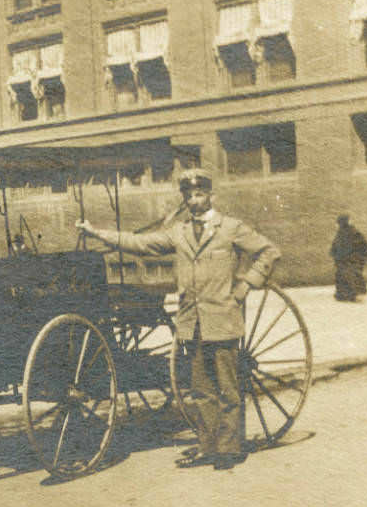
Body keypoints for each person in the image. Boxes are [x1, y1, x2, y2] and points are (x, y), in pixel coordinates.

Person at [77, 168, 280, 470]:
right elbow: (140, 244)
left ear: (212, 195)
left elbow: (269, 251)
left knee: (227, 387)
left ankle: (228, 449)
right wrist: (97, 233)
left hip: (222, 318)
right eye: (189, 196)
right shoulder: (180, 232)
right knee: (200, 389)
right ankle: (208, 446)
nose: (195, 201)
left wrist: (245, 285)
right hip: (192, 323)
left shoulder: (230, 228)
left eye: (200, 194)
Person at [330, 215, 367, 302]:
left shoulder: (352, 233)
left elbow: (363, 246)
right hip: (343, 261)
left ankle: (355, 295)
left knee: (352, 276)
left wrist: (359, 258)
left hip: (352, 261)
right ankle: (344, 295)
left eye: (337, 223)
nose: (336, 225)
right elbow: (335, 246)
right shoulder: (341, 233)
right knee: (343, 277)